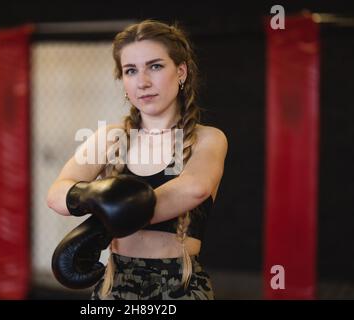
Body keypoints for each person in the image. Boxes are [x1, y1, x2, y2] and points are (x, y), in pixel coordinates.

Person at [47, 19, 228, 300]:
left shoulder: (207, 139)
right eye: (131, 71)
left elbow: (195, 188)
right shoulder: (110, 137)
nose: (143, 82)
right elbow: (57, 193)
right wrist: (92, 195)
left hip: (178, 284)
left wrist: (105, 221)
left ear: (181, 71)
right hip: (115, 284)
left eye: (155, 66)